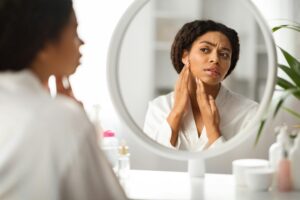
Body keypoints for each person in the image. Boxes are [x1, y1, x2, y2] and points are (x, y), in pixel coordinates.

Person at [0, 0, 127, 199]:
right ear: (43, 43)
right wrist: (74, 118)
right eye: (74, 32)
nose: (82, 43)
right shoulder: (60, 119)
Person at [144, 20, 258, 151]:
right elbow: (152, 162)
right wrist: (176, 113)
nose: (215, 59)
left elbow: (242, 168)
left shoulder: (249, 113)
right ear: (185, 56)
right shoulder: (158, 108)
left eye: (224, 54)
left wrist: (213, 132)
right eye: (205, 50)